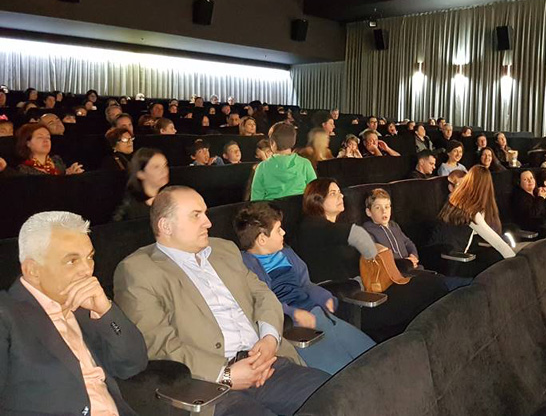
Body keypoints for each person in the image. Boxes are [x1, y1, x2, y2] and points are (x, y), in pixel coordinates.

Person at [113, 187, 329, 414]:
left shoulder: (224, 249)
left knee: (340, 399)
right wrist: (225, 375)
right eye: (196, 215)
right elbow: (157, 343)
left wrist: (269, 338)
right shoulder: (137, 270)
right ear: (166, 226)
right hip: (209, 385)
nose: (208, 222)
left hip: (267, 363)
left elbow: (263, 295)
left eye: (205, 213)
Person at [1, 211, 148, 415]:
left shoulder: (85, 307)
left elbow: (132, 365)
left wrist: (105, 311)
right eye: (72, 261)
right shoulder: (7, 314)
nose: (87, 270)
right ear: (33, 270)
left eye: (90, 257)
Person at [296, 179, 447, 342]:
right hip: (355, 304)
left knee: (431, 283)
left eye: (340, 192)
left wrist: (403, 263)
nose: (341, 196)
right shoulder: (312, 226)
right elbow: (359, 236)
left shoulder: (329, 228)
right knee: (433, 285)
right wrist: (377, 254)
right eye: (333, 193)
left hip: (367, 292)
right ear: (317, 199)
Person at [236, 203, 375, 375]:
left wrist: (324, 297)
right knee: (345, 374)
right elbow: (262, 305)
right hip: (293, 329)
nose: (283, 233)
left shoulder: (286, 253)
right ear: (262, 239)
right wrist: (293, 314)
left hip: (317, 315)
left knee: (371, 355)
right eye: (278, 230)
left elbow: (306, 284)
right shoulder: (246, 266)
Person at [433, 165, 515, 259]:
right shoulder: (471, 212)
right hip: (455, 259)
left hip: (439, 254)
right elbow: (498, 243)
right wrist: (517, 261)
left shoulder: (454, 201)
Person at [251, 122, 317, 200]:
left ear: (272, 143)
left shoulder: (262, 167)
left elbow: (256, 199)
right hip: (298, 207)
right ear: (294, 141)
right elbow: (314, 192)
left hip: (271, 208)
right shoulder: (305, 164)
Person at [362, 188, 420, 268]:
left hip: (411, 268)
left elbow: (408, 243)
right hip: (393, 271)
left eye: (387, 207)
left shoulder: (394, 226)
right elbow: (378, 257)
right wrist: (405, 263)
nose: (384, 211)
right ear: (369, 212)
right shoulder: (367, 230)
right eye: (378, 208)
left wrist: (413, 256)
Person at [111, 149, 169, 221]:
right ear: (140, 173)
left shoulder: (169, 197)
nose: (164, 171)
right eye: (156, 167)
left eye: (165, 165)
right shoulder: (129, 209)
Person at [15, 124, 83, 176]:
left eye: (48, 137)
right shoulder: (24, 169)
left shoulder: (57, 161)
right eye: (40, 137)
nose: (46, 140)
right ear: (28, 143)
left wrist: (70, 175)